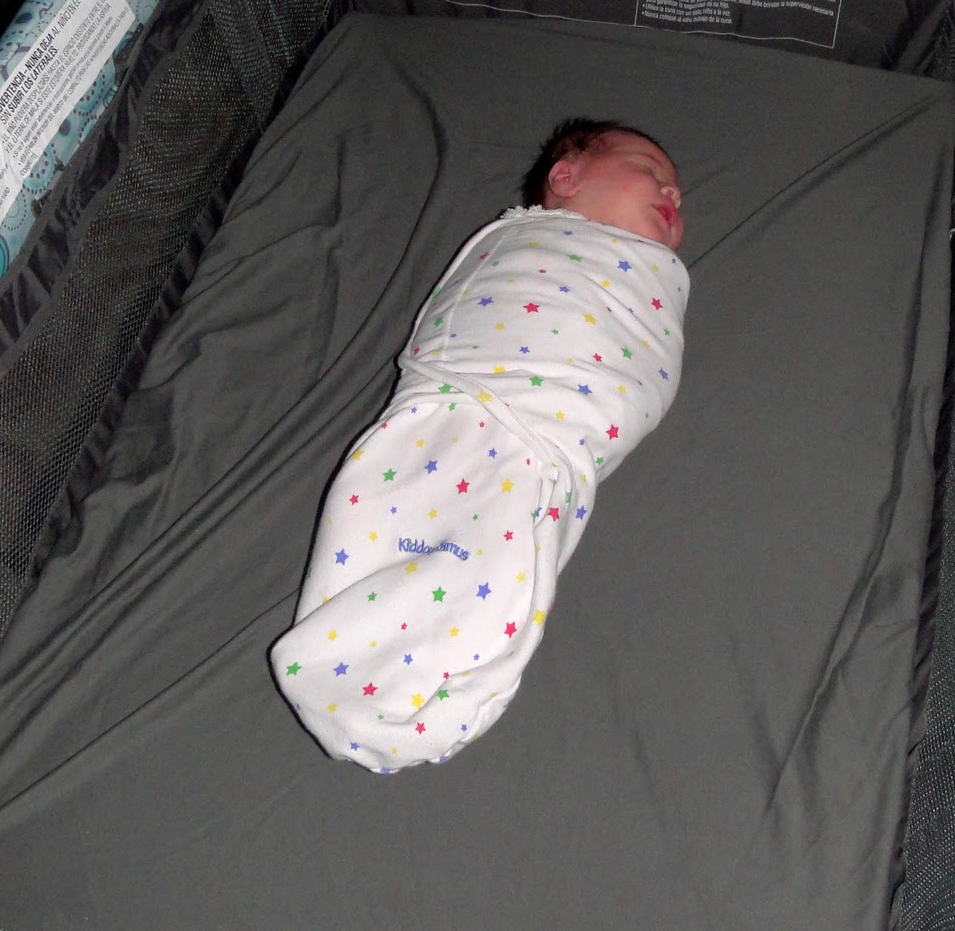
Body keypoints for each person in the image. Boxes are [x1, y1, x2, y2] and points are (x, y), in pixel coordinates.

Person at [270, 119, 690, 771]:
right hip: (468, 407)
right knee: (404, 521)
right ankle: (354, 682)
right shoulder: (529, 243)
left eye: (677, 194)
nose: (672, 194)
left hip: (555, 448)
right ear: (566, 177)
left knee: (497, 559)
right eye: (650, 170)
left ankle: (401, 695)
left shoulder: (646, 277)